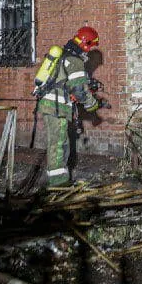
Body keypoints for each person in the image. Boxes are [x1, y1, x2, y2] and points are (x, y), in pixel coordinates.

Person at [34, 26, 106, 187]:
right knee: (58, 144)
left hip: (53, 106)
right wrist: (93, 105)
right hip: (56, 107)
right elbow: (80, 91)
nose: (90, 50)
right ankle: (57, 183)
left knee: (62, 142)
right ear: (86, 43)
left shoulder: (65, 55)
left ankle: (59, 179)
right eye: (91, 46)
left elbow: (69, 86)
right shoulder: (74, 60)